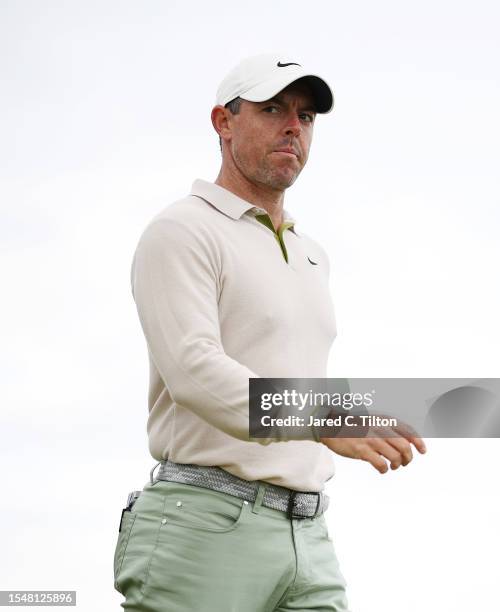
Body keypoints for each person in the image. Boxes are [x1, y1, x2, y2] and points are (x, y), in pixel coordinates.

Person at [113, 53, 426, 612]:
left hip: (308, 532)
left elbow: (294, 376)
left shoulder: (312, 255)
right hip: (203, 527)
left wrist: (359, 412)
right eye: (273, 108)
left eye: (306, 116)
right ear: (222, 122)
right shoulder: (181, 230)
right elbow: (195, 372)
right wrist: (321, 418)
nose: (293, 126)